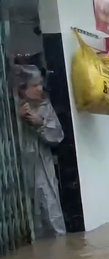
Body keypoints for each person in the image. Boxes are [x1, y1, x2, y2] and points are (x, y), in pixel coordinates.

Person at [15, 65, 66, 239]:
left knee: (49, 213)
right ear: (22, 88)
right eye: (34, 85)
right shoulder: (10, 109)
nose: (39, 89)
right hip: (18, 172)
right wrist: (16, 118)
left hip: (42, 170)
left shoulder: (45, 107)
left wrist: (40, 123)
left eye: (40, 84)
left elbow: (58, 135)